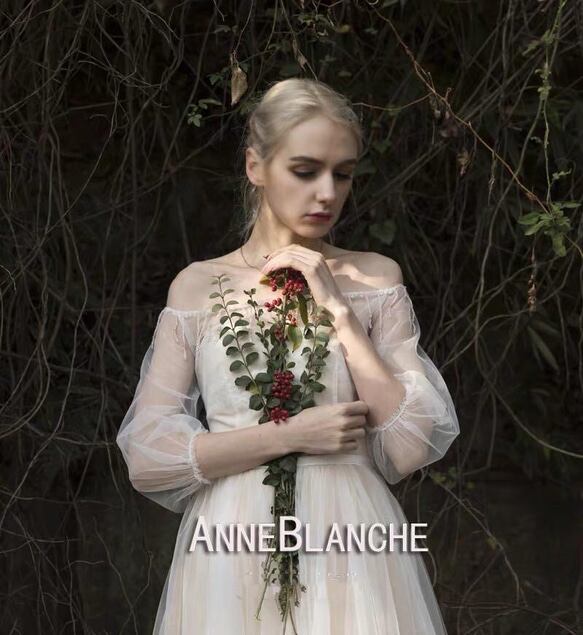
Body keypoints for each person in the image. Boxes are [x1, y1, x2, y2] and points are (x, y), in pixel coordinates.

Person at [116, 78, 460, 634]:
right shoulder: (198, 287)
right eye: (305, 170)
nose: (326, 193)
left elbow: (411, 443)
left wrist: (339, 311)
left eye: (342, 174)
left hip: (352, 539)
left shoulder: (374, 279)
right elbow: (148, 455)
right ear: (256, 166)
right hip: (229, 542)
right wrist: (290, 436)